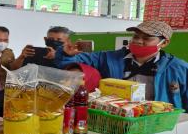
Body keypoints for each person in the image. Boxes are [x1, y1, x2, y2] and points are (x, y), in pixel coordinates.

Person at [55, 21, 188, 110]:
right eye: (136, 36)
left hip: (158, 125)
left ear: (164, 43)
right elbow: (68, 64)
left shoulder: (178, 68)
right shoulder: (108, 58)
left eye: (147, 38)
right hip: (117, 119)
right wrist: (67, 54)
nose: (139, 41)